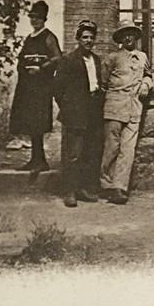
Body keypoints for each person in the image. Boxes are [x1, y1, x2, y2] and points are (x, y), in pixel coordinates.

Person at [100, 19, 152, 205]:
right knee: (111, 147)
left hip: (134, 107)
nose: (128, 37)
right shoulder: (112, 58)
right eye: (125, 34)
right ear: (120, 38)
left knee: (127, 149)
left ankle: (119, 187)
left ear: (136, 37)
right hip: (114, 107)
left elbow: (148, 75)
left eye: (131, 34)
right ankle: (106, 184)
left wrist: (146, 84)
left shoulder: (143, 57)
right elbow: (103, 83)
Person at [55, 20, 103, 208]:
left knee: (88, 152)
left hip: (92, 112)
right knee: (73, 154)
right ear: (78, 39)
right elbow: (57, 89)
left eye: (91, 37)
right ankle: (69, 191)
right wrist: (69, 109)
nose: (88, 41)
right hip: (75, 113)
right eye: (85, 37)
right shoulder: (68, 60)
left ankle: (82, 188)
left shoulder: (96, 60)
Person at [10, 1, 62, 172]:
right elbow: (22, 58)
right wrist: (24, 67)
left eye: (38, 18)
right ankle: (35, 159)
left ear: (44, 19)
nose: (35, 20)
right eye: (32, 17)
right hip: (27, 85)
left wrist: (42, 68)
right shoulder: (29, 38)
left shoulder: (48, 37)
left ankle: (41, 161)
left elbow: (57, 58)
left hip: (41, 86)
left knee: (38, 122)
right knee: (30, 122)